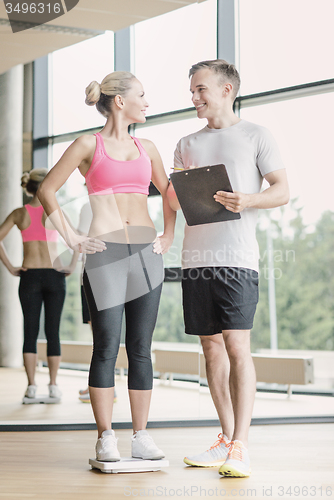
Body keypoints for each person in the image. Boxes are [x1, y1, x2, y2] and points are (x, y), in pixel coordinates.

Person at [37, 71, 176, 462]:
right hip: (105, 254)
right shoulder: (88, 144)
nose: (147, 102)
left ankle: (142, 435)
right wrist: (73, 239)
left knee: (141, 349)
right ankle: (105, 436)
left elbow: (169, 193)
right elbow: (47, 190)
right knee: (106, 348)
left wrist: (168, 234)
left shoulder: (148, 147)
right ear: (120, 101)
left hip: (146, 254)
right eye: (142, 95)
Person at [167, 59, 289, 477]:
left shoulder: (256, 135)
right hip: (195, 258)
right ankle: (224, 439)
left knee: (237, 344)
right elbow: (174, 202)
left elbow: (283, 190)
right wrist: (174, 185)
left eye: (201, 89)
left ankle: (242, 445)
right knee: (210, 347)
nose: (194, 97)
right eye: (192, 90)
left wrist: (247, 200)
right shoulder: (186, 142)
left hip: (237, 258)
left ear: (226, 90)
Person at [0, 168, 78, 401]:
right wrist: (72, 265)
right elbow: (77, 239)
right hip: (55, 275)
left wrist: (10, 267)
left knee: (30, 332)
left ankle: (31, 387)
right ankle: (53, 386)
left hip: (30, 276)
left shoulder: (19, 213)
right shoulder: (56, 212)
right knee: (52, 332)